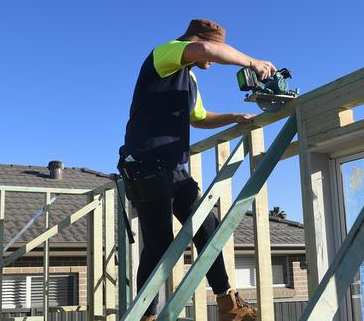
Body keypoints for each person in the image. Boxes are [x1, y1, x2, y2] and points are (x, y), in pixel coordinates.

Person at [118, 19, 277, 321]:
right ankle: (146, 315)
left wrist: (233, 116)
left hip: (176, 168)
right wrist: (252, 62)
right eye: (213, 51)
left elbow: (199, 117)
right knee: (160, 242)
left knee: (207, 228)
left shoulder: (190, 80)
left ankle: (228, 303)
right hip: (147, 164)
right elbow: (205, 49)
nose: (212, 60)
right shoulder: (165, 54)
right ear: (197, 41)